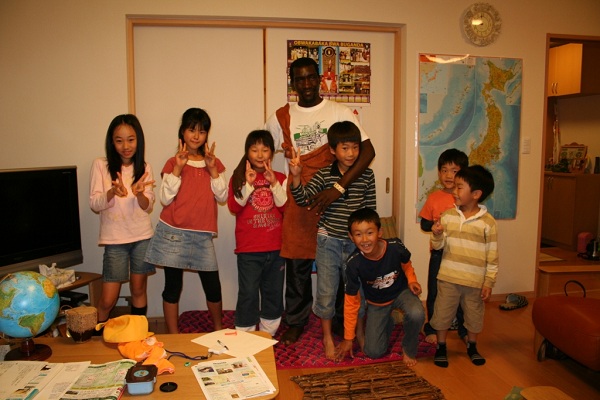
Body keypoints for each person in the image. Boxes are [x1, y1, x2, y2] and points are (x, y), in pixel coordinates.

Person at [232, 57, 376, 345]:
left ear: (320, 78)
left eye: (312, 77)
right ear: (293, 82)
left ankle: (339, 320)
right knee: (297, 265)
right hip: (298, 197)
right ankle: (296, 321)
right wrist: (239, 172)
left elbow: (367, 151)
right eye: (300, 79)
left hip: (335, 201)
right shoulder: (281, 117)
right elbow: (259, 146)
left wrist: (337, 187)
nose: (307, 84)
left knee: (339, 264)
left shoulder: (339, 111)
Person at [289, 120, 376, 359]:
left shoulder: (366, 175)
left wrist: (371, 241)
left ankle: (358, 332)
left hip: (357, 246)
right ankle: (327, 337)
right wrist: (296, 177)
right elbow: (303, 199)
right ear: (332, 150)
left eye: (355, 147)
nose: (351, 153)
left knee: (356, 292)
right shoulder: (324, 175)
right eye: (345, 148)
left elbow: (371, 212)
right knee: (327, 292)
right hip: (328, 243)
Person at [144, 108, 227, 333]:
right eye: (191, 129)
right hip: (174, 232)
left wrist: (212, 169)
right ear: (182, 132)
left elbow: (223, 196)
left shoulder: (213, 162)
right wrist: (179, 168)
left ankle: (219, 329)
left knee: (213, 287)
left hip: (202, 236)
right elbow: (165, 198)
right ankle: (173, 334)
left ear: (207, 135)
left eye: (202, 131)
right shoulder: (174, 161)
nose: (196, 135)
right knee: (172, 287)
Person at [335, 208, 425, 367]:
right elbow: (351, 302)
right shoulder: (353, 263)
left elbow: (407, 265)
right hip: (377, 303)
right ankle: (387, 322)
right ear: (351, 237)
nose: (364, 239)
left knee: (417, 313)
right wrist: (349, 338)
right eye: (358, 234)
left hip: (401, 292)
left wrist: (412, 280)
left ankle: (409, 348)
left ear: (380, 232)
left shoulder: (395, 246)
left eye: (369, 232)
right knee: (373, 352)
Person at [89, 114, 156, 325]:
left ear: (139, 140)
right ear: (112, 141)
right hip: (114, 240)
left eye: (131, 139)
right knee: (108, 299)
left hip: (141, 237)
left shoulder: (144, 168)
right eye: (119, 140)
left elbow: (148, 206)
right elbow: (95, 204)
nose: (125, 146)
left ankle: (138, 335)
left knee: (138, 289)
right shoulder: (101, 165)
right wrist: (111, 193)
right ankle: (96, 336)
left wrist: (139, 194)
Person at [429, 165, 497, 367]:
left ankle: (472, 345)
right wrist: (438, 234)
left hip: (474, 281)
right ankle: (441, 346)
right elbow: (438, 246)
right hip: (449, 277)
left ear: (476, 194)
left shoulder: (488, 223)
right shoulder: (448, 216)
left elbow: (492, 256)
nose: (454, 192)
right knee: (442, 313)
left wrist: (488, 282)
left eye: (459, 188)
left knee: (474, 315)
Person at [227, 130, 287, 337]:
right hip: (249, 250)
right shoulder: (238, 177)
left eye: (265, 149)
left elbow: (284, 206)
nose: (260, 155)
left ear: (272, 152)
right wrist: (248, 183)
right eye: (254, 150)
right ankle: (245, 331)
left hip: (276, 248)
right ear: (247, 153)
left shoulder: (280, 177)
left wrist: (274, 183)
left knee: (273, 292)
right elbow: (234, 207)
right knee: (249, 293)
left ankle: (268, 332)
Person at [418, 148, 469, 344]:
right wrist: (435, 226)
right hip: (439, 254)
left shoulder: (465, 198)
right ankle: (431, 327)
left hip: (461, 255)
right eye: (444, 170)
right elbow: (424, 223)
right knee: (435, 291)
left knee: (462, 294)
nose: (448, 175)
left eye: (454, 171)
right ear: (439, 172)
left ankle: (465, 331)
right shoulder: (434, 198)